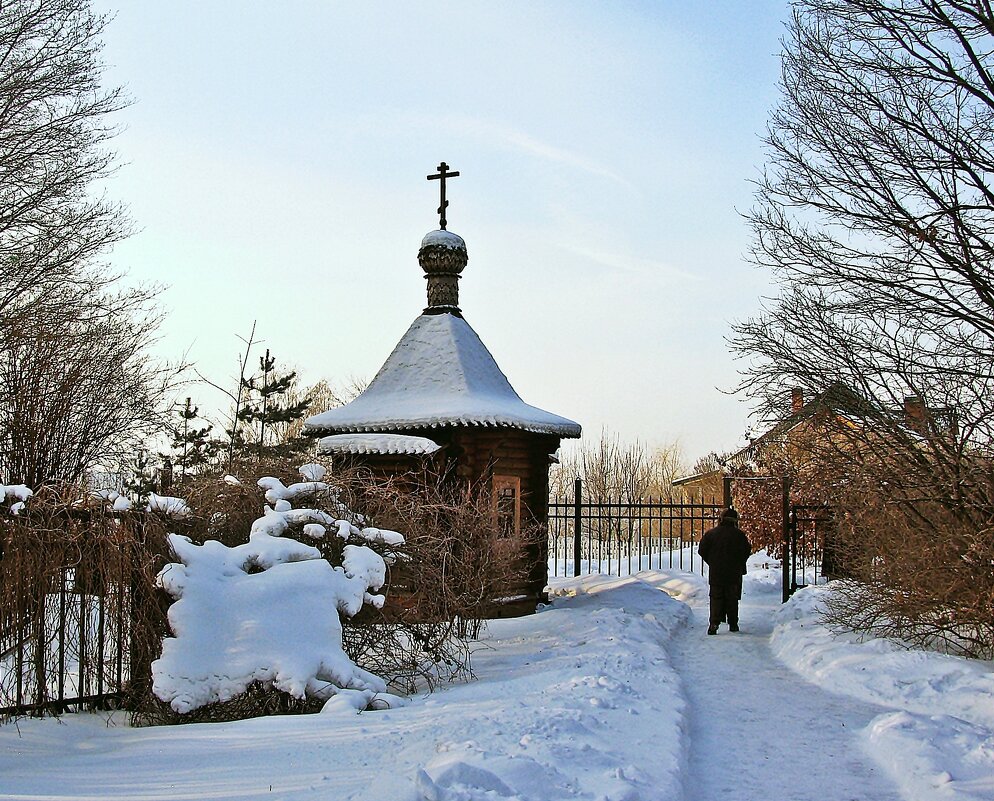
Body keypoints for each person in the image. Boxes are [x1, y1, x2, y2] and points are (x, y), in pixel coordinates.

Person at [698, 507, 751, 635]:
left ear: (721, 519)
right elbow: (746, 551)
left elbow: (702, 550)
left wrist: (712, 562)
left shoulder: (711, 534)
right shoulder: (739, 535)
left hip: (716, 572)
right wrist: (738, 563)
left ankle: (714, 623)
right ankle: (733, 623)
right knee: (732, 598)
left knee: (716, 597)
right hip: (733, 573)